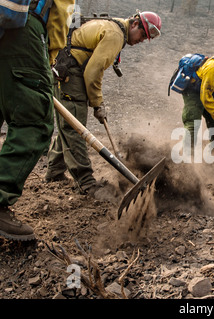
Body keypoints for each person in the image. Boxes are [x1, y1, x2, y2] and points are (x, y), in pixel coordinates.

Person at [45, 10, 162, 196]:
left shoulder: (114, 27)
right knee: (74, 127)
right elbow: (93, 72)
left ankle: (54, 171)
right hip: (70, 74)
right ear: (134, 23)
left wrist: (96, 102)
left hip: (68, 70)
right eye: (142, 34)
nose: (141, 40)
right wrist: (98, 104)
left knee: (70, 122)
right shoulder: (115, 34)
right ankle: (86, 181)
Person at [0, 0, 75, 241]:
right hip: (23, 30)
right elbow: (61, 16)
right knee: (35, 117)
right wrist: (48, 57)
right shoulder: (113, 34)